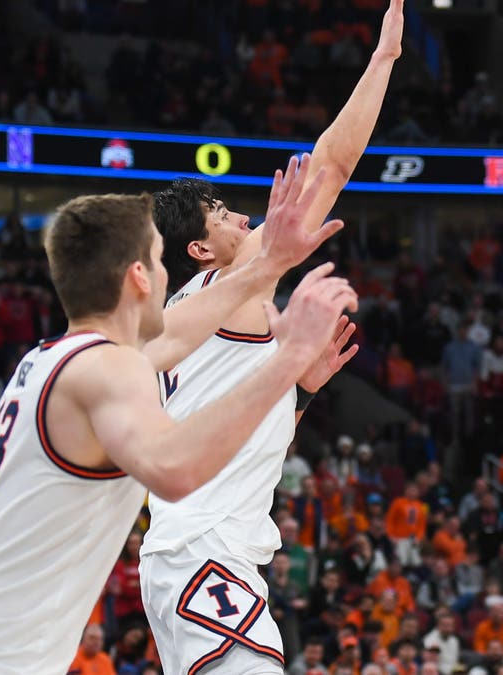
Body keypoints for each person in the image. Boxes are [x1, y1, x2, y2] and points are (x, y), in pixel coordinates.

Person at [0, 156, 354, 673]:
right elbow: (177, 472)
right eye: (162, 264)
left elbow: (189, 326)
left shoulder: (58, 357)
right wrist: (287, 360)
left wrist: (270, 265)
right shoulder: (104, 370)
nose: (173, 280)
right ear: (140, 276)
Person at [139, 3, 403, 673]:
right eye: (226, 216)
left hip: (198, 553)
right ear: (201, 248)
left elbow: (230, 423)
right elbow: (333, 165)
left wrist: (299, 393)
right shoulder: (238, 285)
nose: (246, 216)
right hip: (204, 550)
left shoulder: (190, 316)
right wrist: (383, 62)